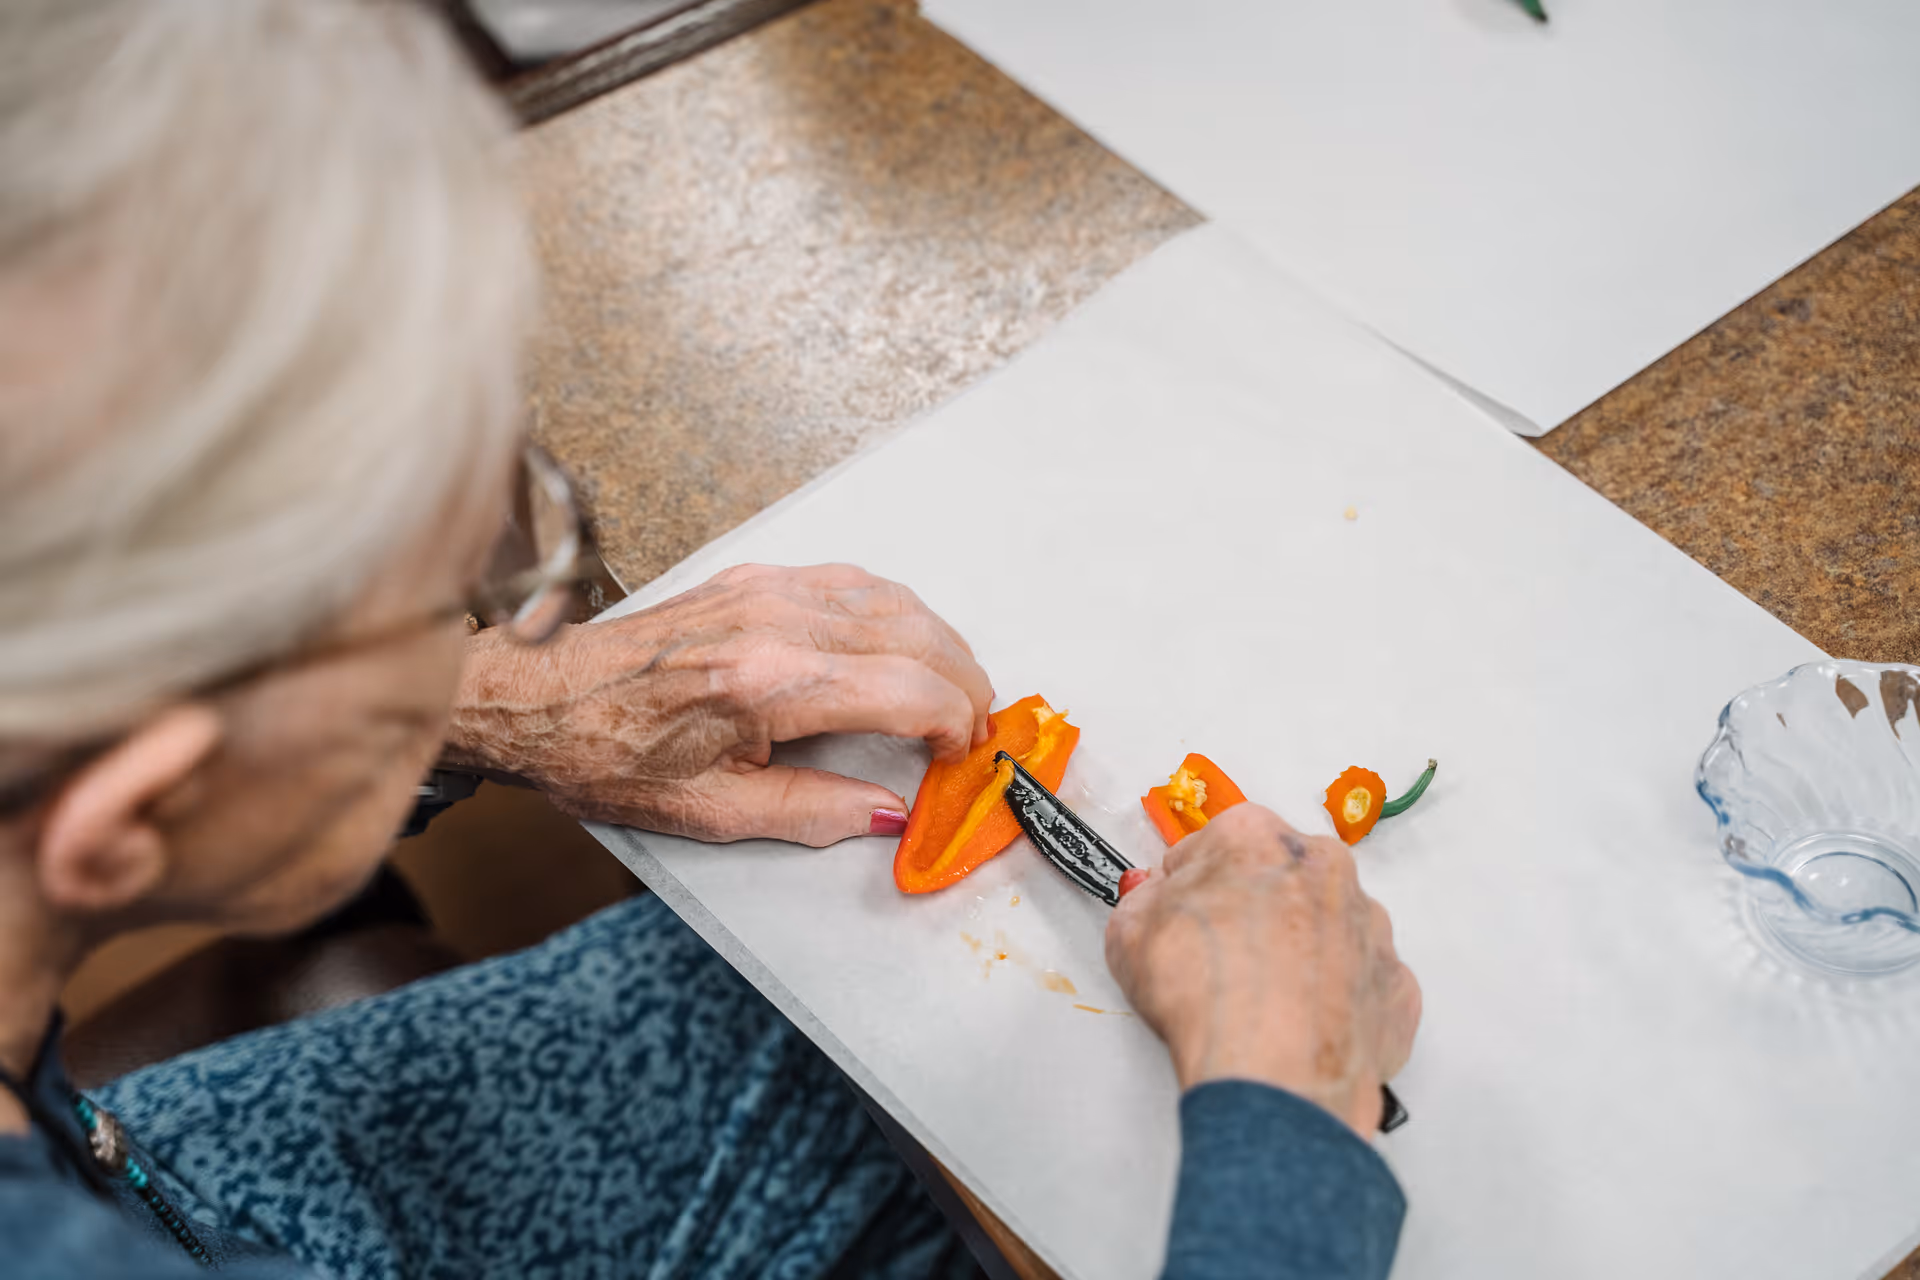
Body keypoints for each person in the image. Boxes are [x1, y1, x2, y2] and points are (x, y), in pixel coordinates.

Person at [0, 3, 1421, 1278]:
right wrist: (1285, 1127)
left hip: (161, 1171)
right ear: (128, 813)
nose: (505, 625)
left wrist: (488, 702)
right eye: (435, 603)